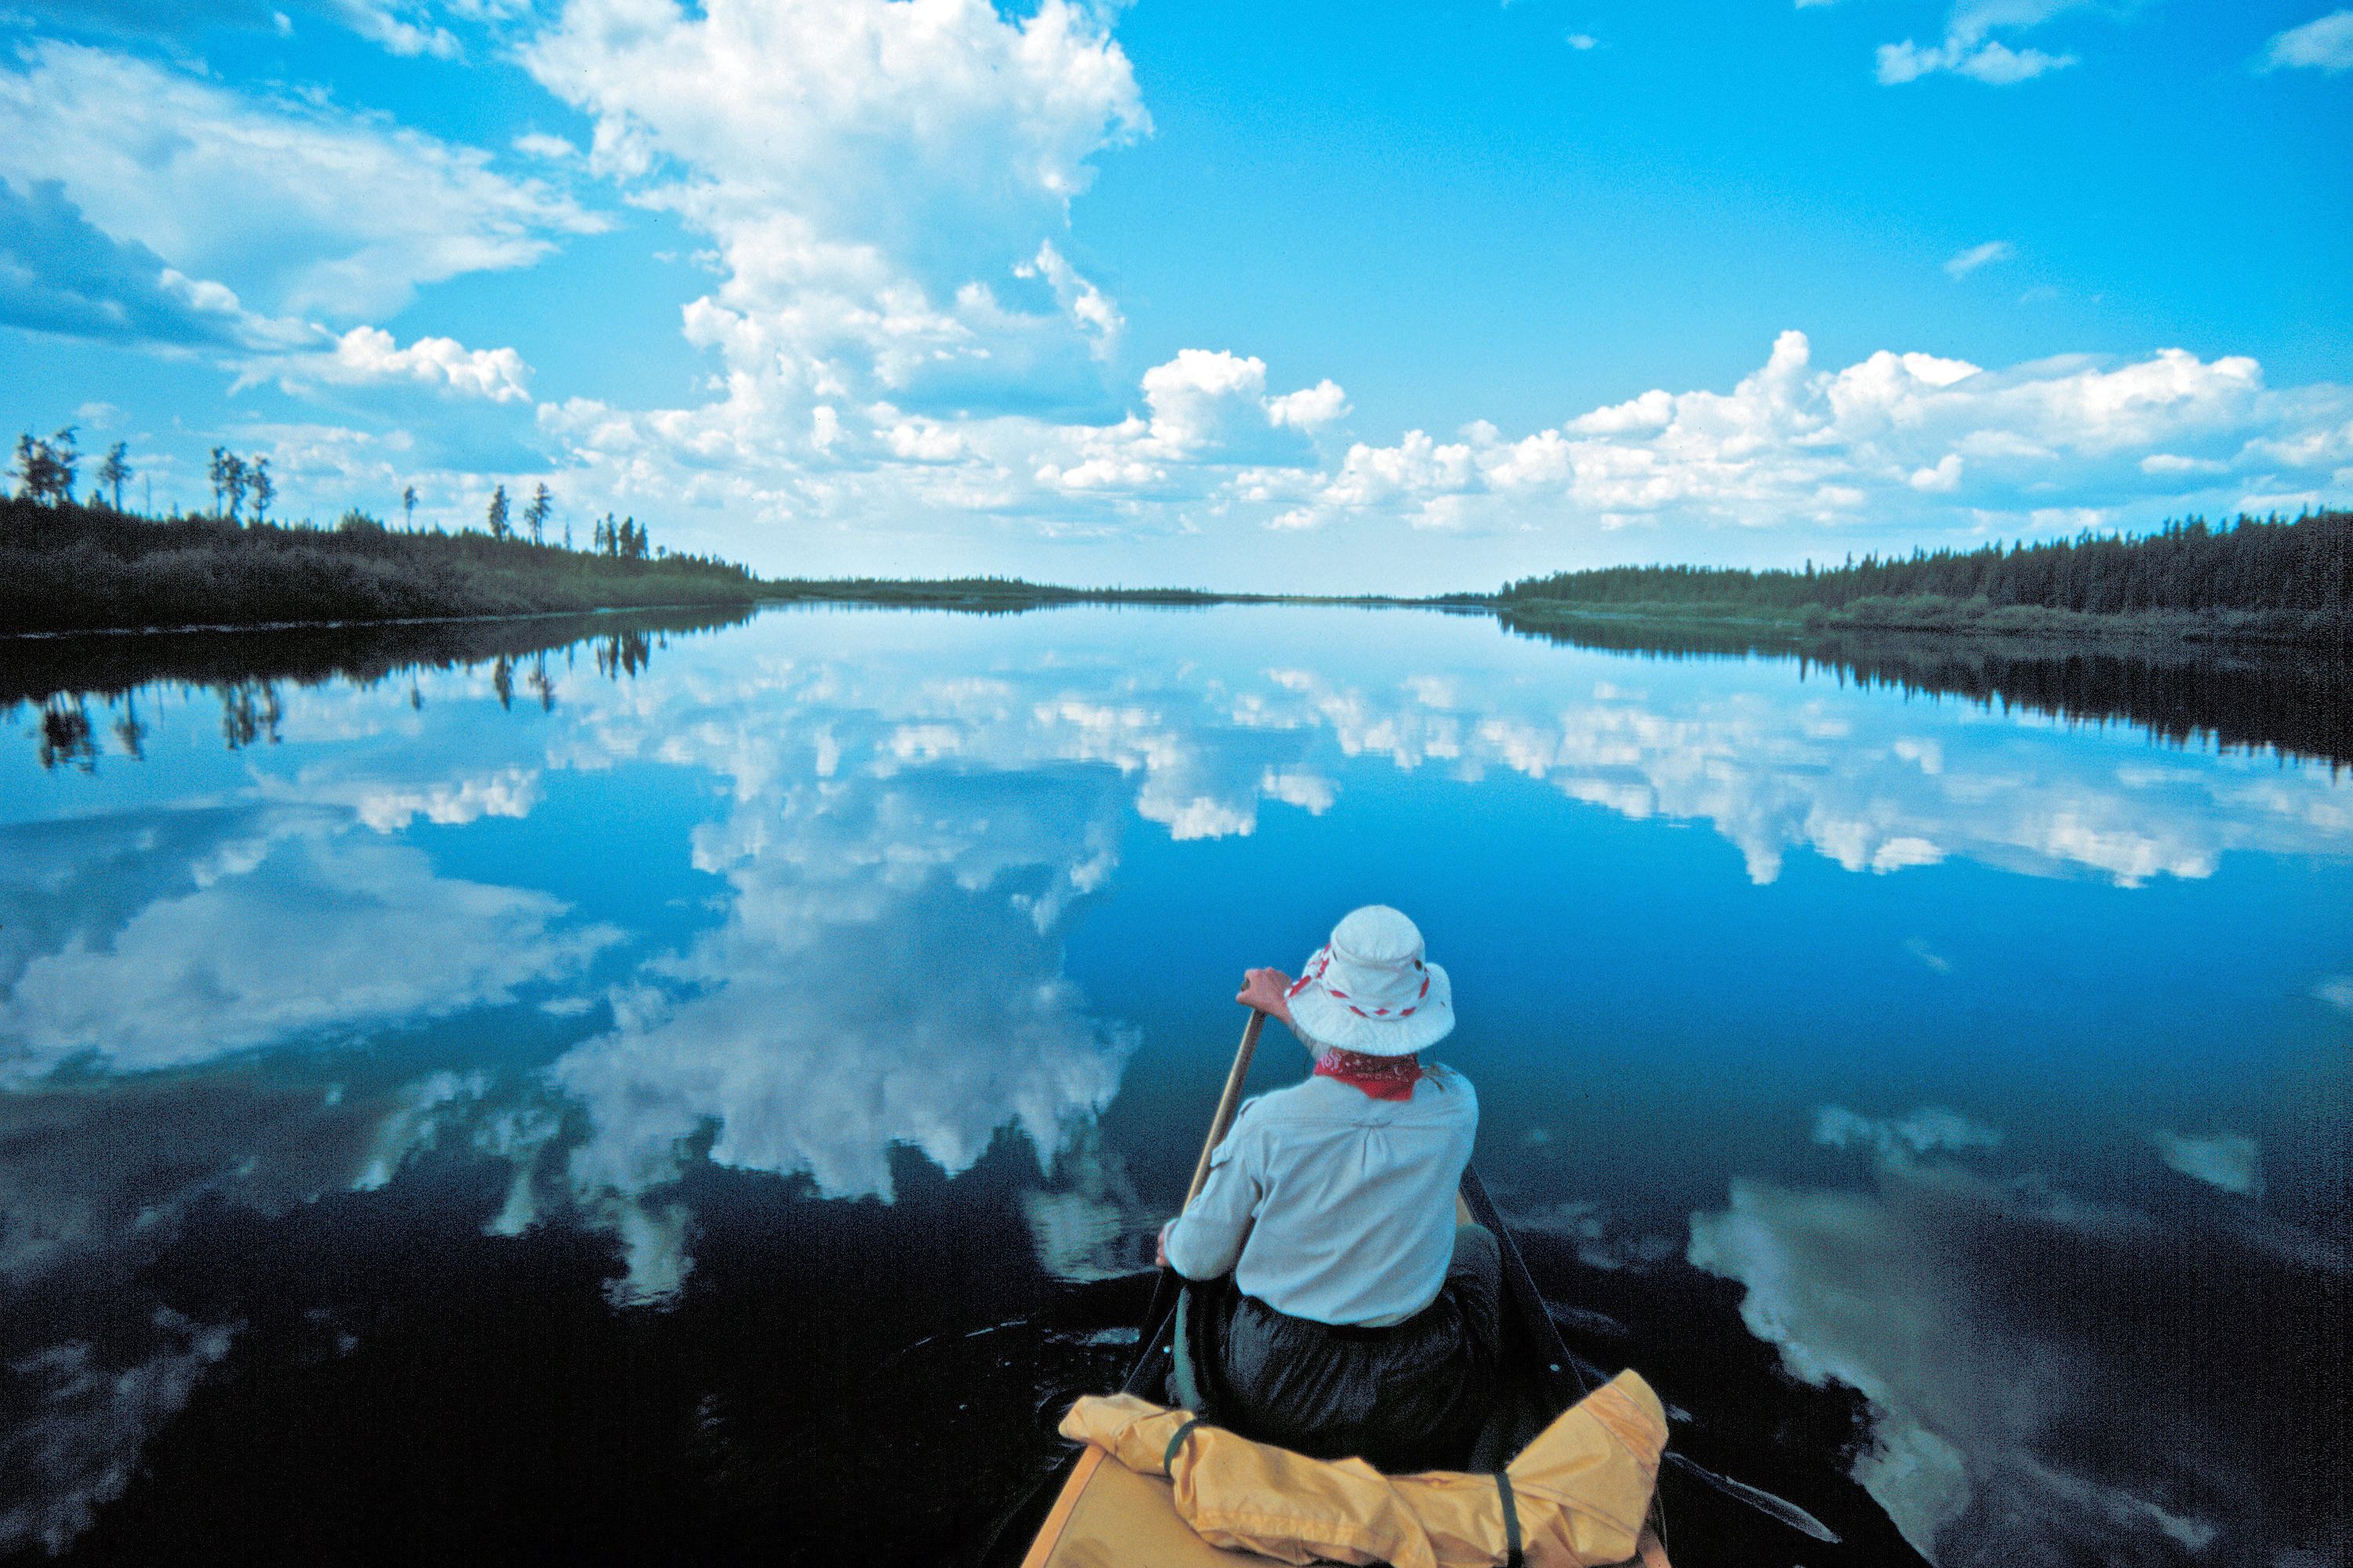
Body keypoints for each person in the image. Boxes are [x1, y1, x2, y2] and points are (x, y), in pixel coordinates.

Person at [1155, 904, 1500, 1473]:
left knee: (1205, 1272)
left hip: (1280, 1394)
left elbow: (1197, 1258)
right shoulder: (1458, 1105)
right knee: (1481, 1247)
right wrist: (1295, 1013)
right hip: (1416, 1397)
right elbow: (1374, 1078)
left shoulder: (1269, 1123)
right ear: (1419, 1016)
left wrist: (1175, 1237)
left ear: (1329, 1011)